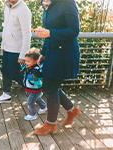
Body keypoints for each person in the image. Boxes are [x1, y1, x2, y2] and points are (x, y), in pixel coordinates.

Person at [33, 0, 82, 135]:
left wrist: (49, 33)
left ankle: (51, 124)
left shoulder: (67, 3)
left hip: (64, 53)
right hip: (51, 52)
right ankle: (72, 110)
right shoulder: (47, 4)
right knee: (49, 86)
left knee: (51, 87)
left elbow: (74, 30)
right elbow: (48, 34)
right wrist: (42, 53)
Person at [0, 0, 32, 104]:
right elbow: (6, 29)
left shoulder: (23, 9)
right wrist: (2, 45)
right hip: (7, 48)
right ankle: (6, 94)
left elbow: (27, 34)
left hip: (17, 49)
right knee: (5, 70)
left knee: (14, 73)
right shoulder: (7, 7)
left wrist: (23, 54)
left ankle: (33, 90)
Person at [21, 48, 47, 120]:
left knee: (30, 102)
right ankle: (44, 106)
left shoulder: (37, 69)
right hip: (30, 88)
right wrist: (22, 64)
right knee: (36, 99)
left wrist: (38, 71)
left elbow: (41, 74)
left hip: (35, 88)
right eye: (26, 60)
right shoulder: (28, 67)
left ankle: (32, 114)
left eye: (28, 61)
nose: (26, 62)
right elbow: (24, 68)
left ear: (35, 61)